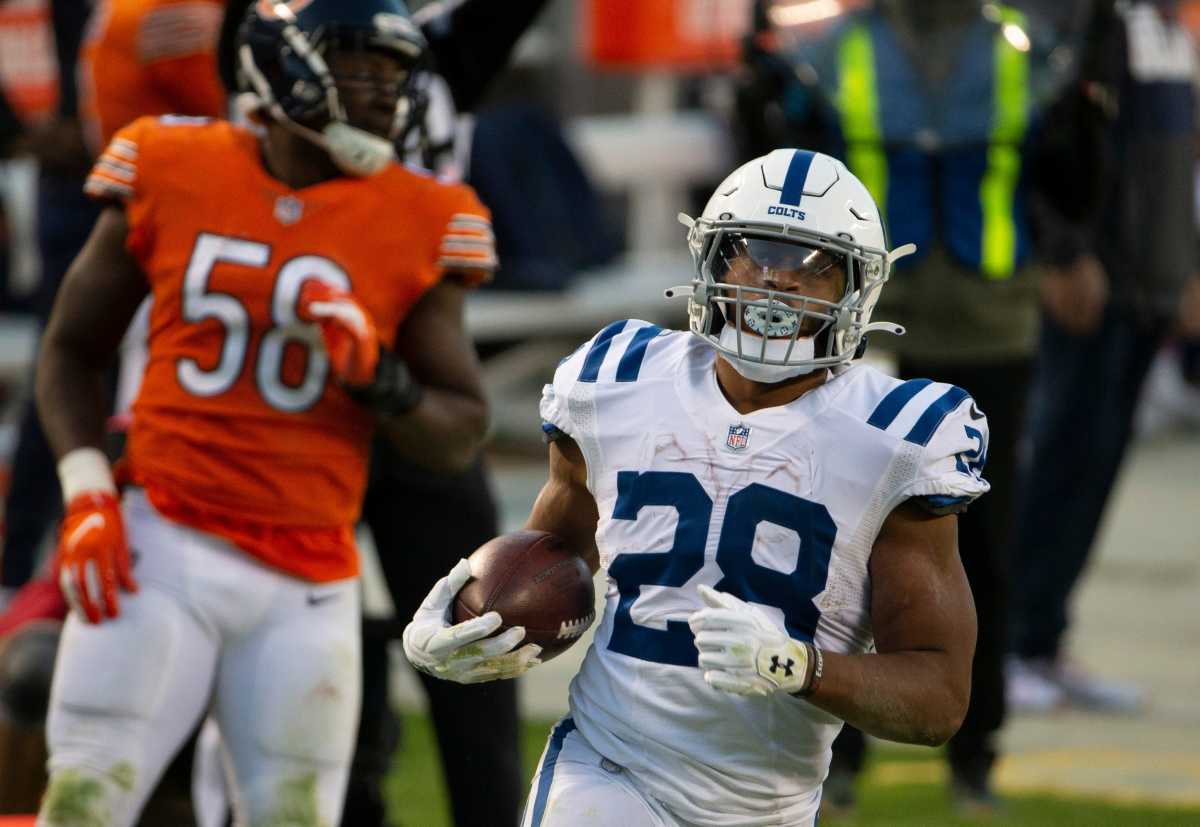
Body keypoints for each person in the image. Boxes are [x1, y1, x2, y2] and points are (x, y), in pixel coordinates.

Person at [404, 149, 987, 826]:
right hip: (608, 766)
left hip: (768, 806)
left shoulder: (894, 438)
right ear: (711, 263)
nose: (776, 283)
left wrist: (798, 665)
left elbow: (940, 695)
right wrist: (471, 613)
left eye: (812, 266)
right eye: (753, 254)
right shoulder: (617, 381)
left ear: (857, 289)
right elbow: (555, 552)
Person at [32, 1, 496, 824]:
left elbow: (459, 433)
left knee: (292, 814)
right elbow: (70, 350)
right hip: (160, 544)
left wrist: (381, 383)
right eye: (363, 68)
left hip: (307, 582)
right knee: (85, 801)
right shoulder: (173, 160)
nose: (386, 95)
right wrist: (86, 493)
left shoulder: (424, 213)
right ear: (289, 68)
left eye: (396, 75)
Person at [736, 0, 1086, 808]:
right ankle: (841, 748)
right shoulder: (827, 50)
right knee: (836, 545)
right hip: (861, 329)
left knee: (985, 554)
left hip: (994, 326)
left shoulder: (1026, 49)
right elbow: (782, 174)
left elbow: (1064, 176)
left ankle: (976, 751)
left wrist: (1074, 207)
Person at [1007, 0, 1199, 712]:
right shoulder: (1078, 14)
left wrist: (1187, 266)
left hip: (1149, 280)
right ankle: (1009, 641)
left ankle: (1044, 638)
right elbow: (1039, 129)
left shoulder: (1168, 23)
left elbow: (1178, 153)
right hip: (1091, 278)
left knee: (1097, 466)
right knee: (1059, 457)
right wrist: (1061, 252)